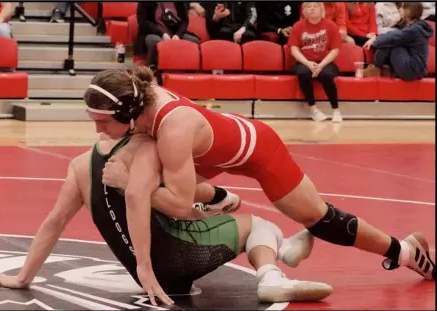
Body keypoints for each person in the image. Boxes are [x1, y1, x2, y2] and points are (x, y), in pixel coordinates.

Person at [84, 66, 435, 298]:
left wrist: (130, 180)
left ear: (128, 113)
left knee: (321, 219)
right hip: (210, 151)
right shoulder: (136, 96)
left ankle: (403, 252)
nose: (98, 130)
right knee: (163, 186)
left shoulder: (172, 129)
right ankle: (226, 203)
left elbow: (177, 202)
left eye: (102, 122)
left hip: (257, 150)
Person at [0, 133, 333, 306]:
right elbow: (182, 205)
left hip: (149, 277)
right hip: (180, 256)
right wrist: (220, 198)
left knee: (210, 220)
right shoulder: (145, 149)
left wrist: (24, 277)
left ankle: (286, 249)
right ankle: (273, 272)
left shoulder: (81, 167)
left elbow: (54, 222)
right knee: (260, 225)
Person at [289, 2, 342, 123]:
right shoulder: (298, 26)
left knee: (326, 74)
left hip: (325, 61)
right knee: (303, 73)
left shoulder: (330, 25)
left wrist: (321, 65)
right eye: (308, 6)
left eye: (315, 6)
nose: (312, 9)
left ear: (321, 9)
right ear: (304, 11)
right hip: (304, 61)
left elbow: (335, 49)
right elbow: (294, 49)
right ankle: (313, 109)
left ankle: (336, 110)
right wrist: (307, 63)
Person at [363, 2, 433, 81]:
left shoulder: (414, 30)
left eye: (402, 7)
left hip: (411, 70)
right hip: (417, 70)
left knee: (391, 43)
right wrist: (377, 38)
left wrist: (375, 40)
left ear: (409, 11)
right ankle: (383, 69)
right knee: (392, 40)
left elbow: (393, 38)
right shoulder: (416, 27)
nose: (399, 9)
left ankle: (376, 67)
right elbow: (395, 34)